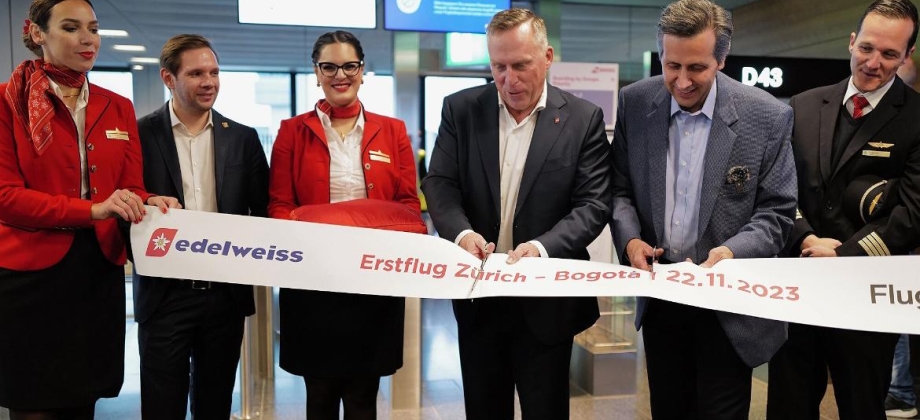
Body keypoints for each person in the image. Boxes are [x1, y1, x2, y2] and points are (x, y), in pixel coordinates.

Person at [609, 0, 797, 418]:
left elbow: (777, 211)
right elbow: (620, 190)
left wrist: (732, 251)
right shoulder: (637, 103)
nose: (681, 80)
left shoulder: (766, 116)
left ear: (722, 58)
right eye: (671, 65)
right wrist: (631, 240)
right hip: (661, 295)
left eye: (696, 68)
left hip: (727, 304)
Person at [422, 8, 612, 419]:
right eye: (499, 66)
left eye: (521, 65)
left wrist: (541, 248)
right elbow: (440, 184)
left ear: (546, 57)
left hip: (546, 301)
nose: (509, 80)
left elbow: (594, 204)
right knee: (484, 408)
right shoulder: (461, 110)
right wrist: (460, 234)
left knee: (545, 408)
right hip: (479, 296)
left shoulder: (582, 119)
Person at [0, 0, 179, 419]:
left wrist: (147, 199)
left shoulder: (116, 105)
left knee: (84, 402)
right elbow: (6, 196)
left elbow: (130, 185)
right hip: (29, 275)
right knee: (34, 406)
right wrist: (93, 210)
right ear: (37, 32)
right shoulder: (8, 103)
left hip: (96, 270)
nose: (88, 39)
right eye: (71, 27)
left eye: (93, 28)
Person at [766, 1, 920, 418]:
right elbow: (779, 190)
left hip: (866, 296)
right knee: (788, 406)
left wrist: (841, 254)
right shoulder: (802, 104)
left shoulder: (918, 119)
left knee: (861, 406)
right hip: (797, 286)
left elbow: (912, 213)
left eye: (889, 54)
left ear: (906, 56)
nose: (873, 63)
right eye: (866, 48)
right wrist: (806, 237)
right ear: (851, 41)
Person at [268, 30, 420, 420]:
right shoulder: (292, 131)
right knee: (318, 393)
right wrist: (313, 250)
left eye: (349, 65)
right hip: (313, 281)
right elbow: (281, 206)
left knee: (363, 395)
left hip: (373, 278)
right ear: (316, 72)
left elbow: (406, 207)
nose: (341, 75)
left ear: (363, 70)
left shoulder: (393, 130)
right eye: (329, 66)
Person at [132, 34, 269, 420]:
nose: (209, 81)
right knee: (162, 406)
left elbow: (263, 213)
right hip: (164, 295)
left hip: (224, 295)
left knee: (215, 402)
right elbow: (125, 202)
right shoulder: (139, 136)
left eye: (214, 72)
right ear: (168, 78)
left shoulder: (243, 139)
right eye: (196, 73)